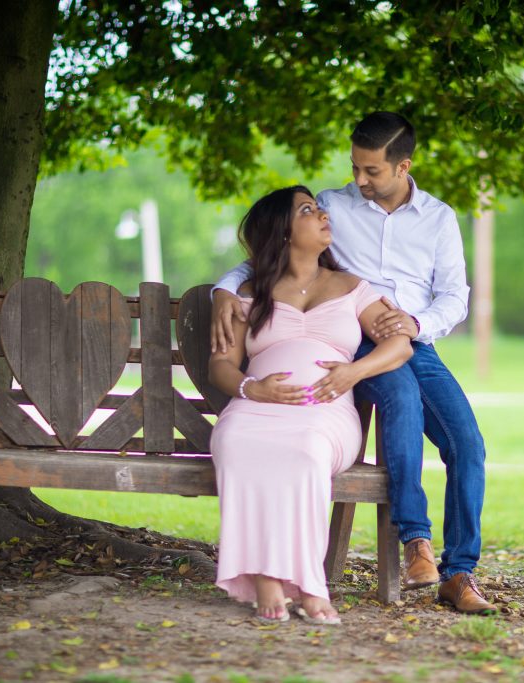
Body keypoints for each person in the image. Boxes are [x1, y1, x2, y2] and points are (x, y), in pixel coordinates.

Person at [212, 112, 496, 614]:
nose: (359, 180)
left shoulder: (438, 218)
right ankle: (416, 541)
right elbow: (269, 251)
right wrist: (223, 290)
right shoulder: (332, 207)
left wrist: (414, 324)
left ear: (402, 166)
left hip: (412, 338)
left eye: (372, 171)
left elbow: (455, 296)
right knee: (401, 398)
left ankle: (458, 573)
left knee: (468, 444)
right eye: (355, 168)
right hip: (354, 339)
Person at [208, 185, 412, 625]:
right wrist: (250, 389)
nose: (322, 213)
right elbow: (221, 364)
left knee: (304, 452)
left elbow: (399, 345)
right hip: (254, 408)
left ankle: (310, 583)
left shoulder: (352, 286)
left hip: (324, 412)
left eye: (318, 207)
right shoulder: (251, 292)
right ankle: (266, 578)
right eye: (307, 210)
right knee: (237, 441)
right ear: (283, 232)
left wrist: (352, 373)